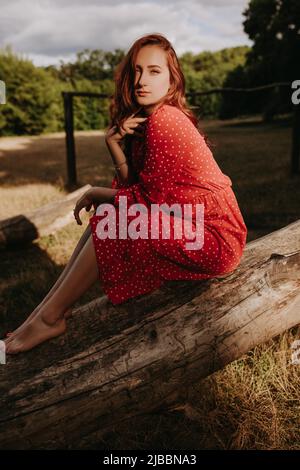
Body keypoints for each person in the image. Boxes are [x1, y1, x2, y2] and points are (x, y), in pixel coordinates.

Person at [3, 33, 247, 354]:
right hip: (193, 225)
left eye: (154, 71)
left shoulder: (166, 121)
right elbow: (136, 190)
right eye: (136, 70)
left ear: (172, 80)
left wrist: (99, 193)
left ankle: (48, 318)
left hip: (214, 237)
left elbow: (147, 204)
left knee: (114, 219)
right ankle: (41, 315)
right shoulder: (150, 119)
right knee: (109, 216)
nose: (141, 80)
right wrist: (113, 144)